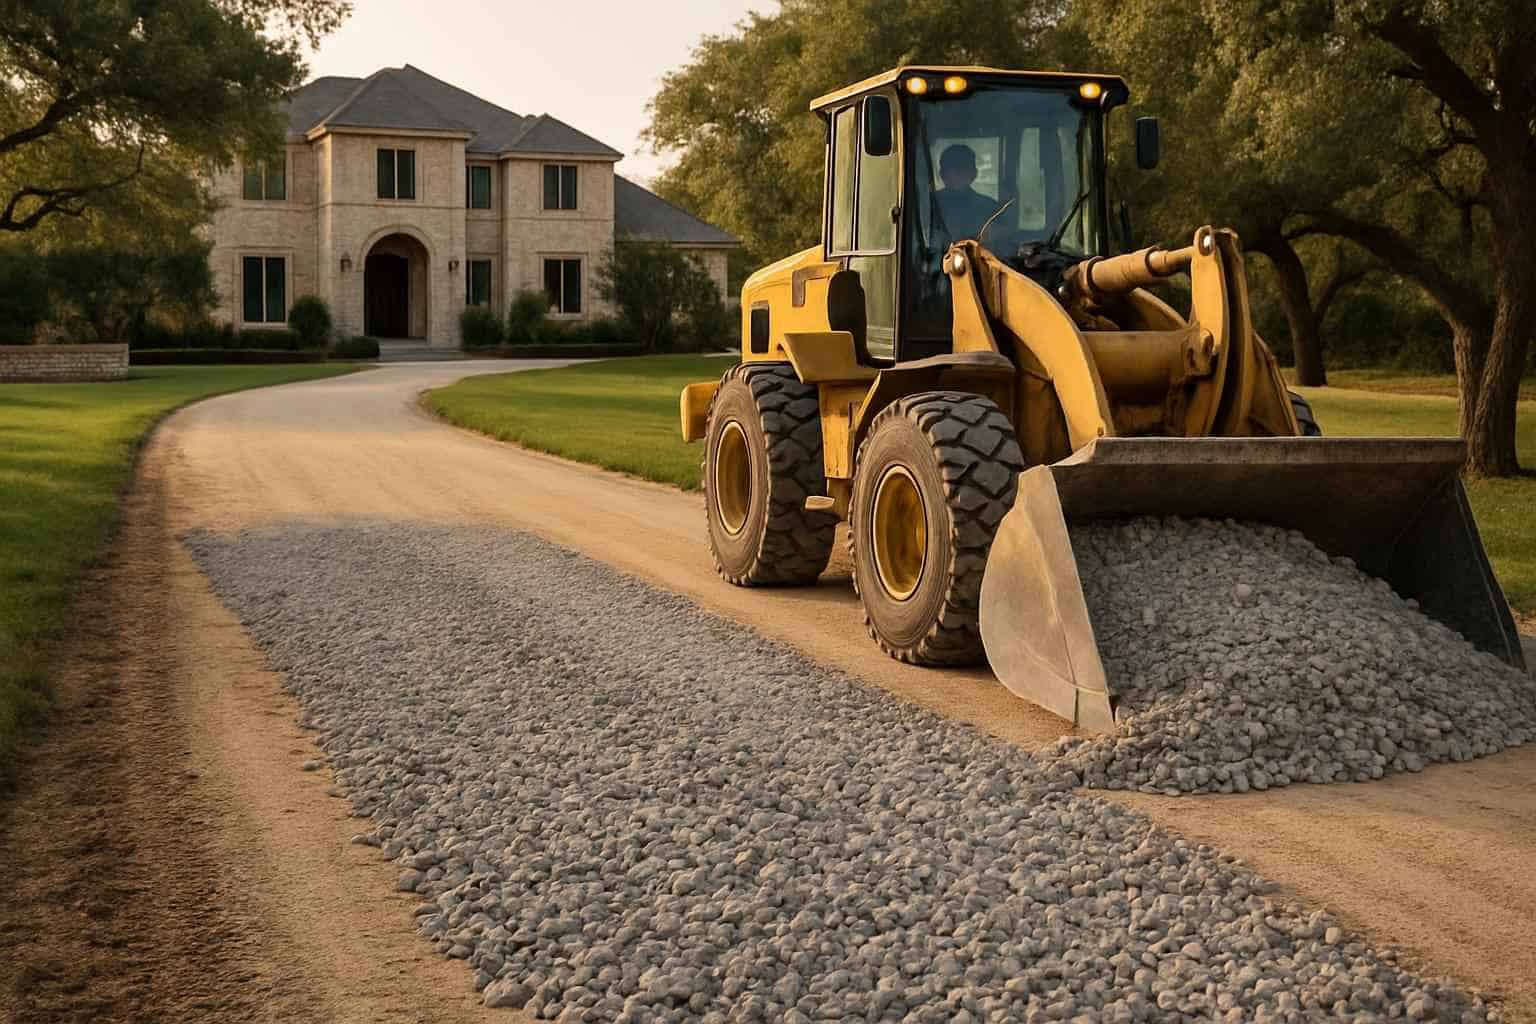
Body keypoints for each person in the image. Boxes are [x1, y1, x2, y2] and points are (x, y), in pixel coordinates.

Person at [934, 144, 1000, 241]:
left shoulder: (992, 210)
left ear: (974, 173)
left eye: (964, 167)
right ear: (942, 174)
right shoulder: (926, 208)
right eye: (954, 167)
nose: (959, 173)